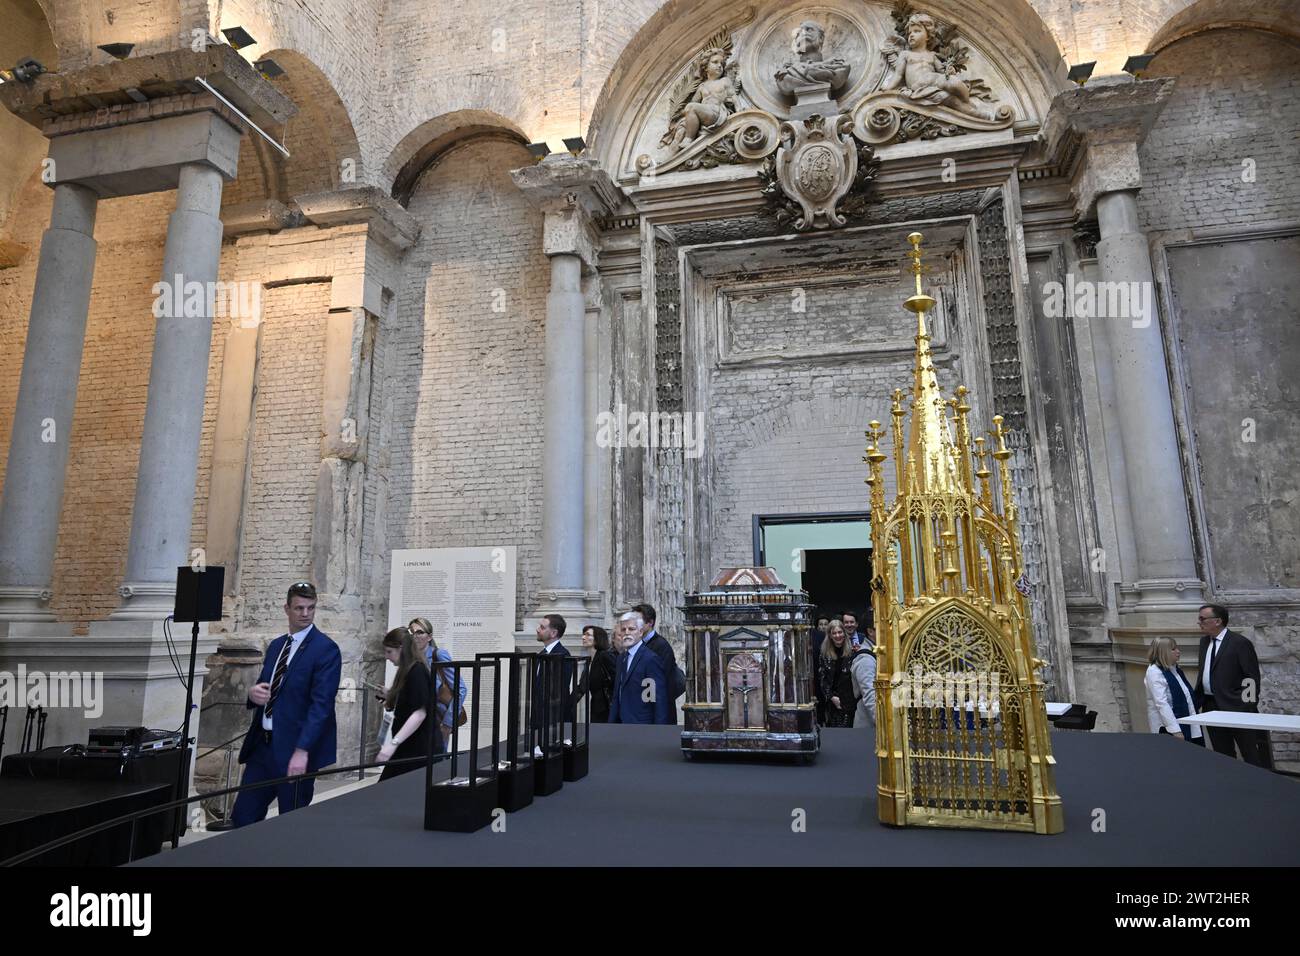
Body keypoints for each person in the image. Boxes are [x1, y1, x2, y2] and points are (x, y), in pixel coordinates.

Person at [231, 581, 341, 827]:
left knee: (290, 823)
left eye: (310, 608)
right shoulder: (277, 646)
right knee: (242, 818)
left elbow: (321, 706)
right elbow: (264, 685)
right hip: (263, 747)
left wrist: (302, 751)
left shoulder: (326, 649)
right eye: (299, 608)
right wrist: (252, 694)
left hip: (295, 751)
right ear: (287, 609)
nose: (305, 614)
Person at [1192, 604, 1270, 767]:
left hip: (1237, 708)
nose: (1199, 622)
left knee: (1250, 753)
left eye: (1202, 619)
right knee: (1222, 754)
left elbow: (1251, 678)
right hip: (1211, 706)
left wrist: (1246, 706)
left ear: (1217, 621)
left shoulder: (1239, 643)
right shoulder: (1204, 642)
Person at [377, 627, 433, 779]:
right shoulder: (407, 671)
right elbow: (410, 701)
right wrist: (390, 695)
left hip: (416, 749)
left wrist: (392, 744)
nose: (386, 656)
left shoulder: (417, 671)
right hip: (407, 747)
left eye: (389, 652)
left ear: (401, 649)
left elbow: (420, 713)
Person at [409, 617, 466, 751]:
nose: (415, 636)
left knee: (436, 763)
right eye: (412, 632)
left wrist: (447, 724)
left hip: (437, 720)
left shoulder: (438, 655)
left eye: (419, 632)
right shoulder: (411, 659)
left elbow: (461, 689)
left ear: (429, 637)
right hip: (417, 721)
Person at [610, 611, 671, 725]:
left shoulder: (650, 659)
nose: (627, 633)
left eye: (631, 629)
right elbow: (617, 694)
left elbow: (658, 698)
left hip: (643, 725)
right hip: (621, 724)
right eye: (623, 630)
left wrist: (659, 731)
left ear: (640, 632)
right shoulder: (621, 658)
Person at [1144, 637, 1202, 745]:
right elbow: (1161, 703)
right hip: (1169, 726)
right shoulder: (1154, 672)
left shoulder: (1174, 669)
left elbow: (1187, 696)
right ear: (1163, 652)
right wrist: (1176, 730)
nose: (1178, 651)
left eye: (1177, 648)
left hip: (1187, 720)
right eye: (1173, 649)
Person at [632, 602, 684, 723]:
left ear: (650, 623)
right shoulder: (638, 644)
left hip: (659, 711)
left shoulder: (661, 645)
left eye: (638, 621)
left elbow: (660, 681)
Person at [817, 619, 856, 728]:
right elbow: (822, 679)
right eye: (834, 633)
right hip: (832, 703)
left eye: (840, 632)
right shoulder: (824, 654)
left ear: (844, 633)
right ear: (829, 635)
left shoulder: (853, 652)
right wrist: (831, 697)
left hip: (850, 701)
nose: (837, 635)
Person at [578, 625, 618, 723]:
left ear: (597, 639)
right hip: (597, 708)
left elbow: (616, 680)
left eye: (588, 635)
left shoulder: (605, 656)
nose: (583, 637)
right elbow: (582, 687)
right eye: (583, 634)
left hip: (608, 708)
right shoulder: (590, 660)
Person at [850, 640, 877, 729]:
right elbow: (869, 694)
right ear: (870, 631)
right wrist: (883, 723)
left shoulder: (875, 651)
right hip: (868, 725)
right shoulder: (865, 659)